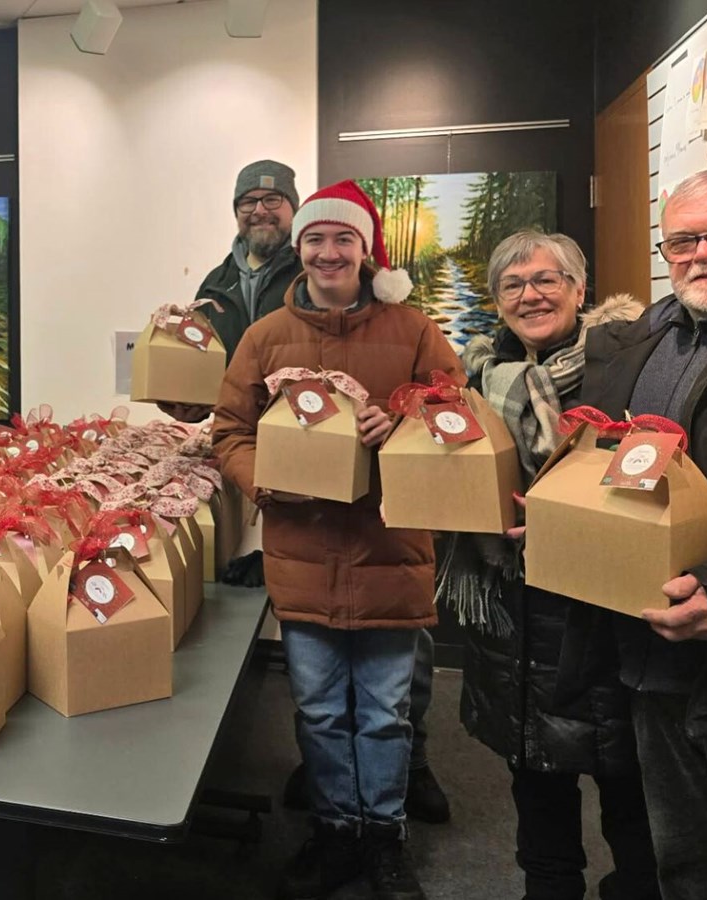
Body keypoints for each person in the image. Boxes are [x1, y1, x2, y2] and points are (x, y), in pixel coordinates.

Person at [560, 167, 707, 900]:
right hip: (654, 674)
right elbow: (615, 473)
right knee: (689, 874)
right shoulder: (641, 341)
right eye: (683, 242)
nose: (704, 254)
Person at [214, 180, 461, 900]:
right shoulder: (264, 337)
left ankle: (384, 838)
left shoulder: (413, 329)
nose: (329, 252)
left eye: (343, 239)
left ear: (365, 249)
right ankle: (335, 832)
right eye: (316, 239)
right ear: (300, 249)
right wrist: (265, 483)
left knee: (385, 715)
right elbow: (230, 431)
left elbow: (455, 410)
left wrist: (404, 421)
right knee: (320, 711)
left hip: (391, 550)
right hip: (303, 553)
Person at [447, 231, 657, 900]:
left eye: (546, 280)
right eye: (513, 284)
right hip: (512, 608)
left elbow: (655, 476)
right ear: (496, 299)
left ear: (579, 289)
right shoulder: (478, 373)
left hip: (603, 613)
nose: (530, 295)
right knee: (536, 783)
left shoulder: (630, 364)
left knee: (630, 789)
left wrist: (566, 521)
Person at [161, 159, 303, 424]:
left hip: (300, 430)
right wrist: (189, 403)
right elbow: (202, 362)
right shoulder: (215, 285)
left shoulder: (311, 277)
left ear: (294, 208)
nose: (259, 210)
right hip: (234, 432)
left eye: (272, 199)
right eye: (248, 201)